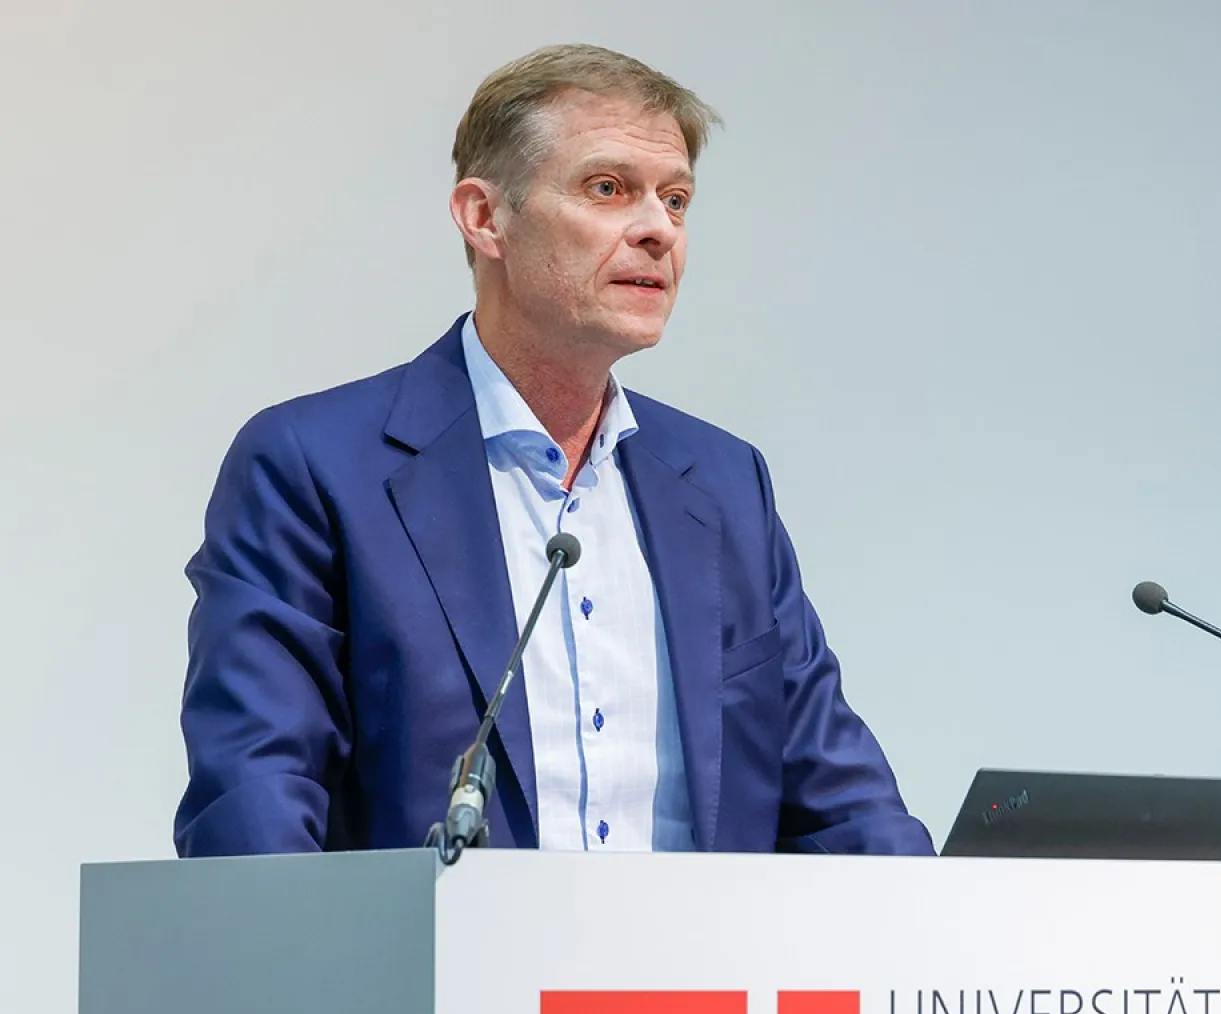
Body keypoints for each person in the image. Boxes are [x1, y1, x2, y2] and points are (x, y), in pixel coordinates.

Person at [174, 44, 935, 858]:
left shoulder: (724, 484)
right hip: (437, 977)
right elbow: (256, 796)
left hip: (700, 981)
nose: (656, 231)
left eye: (676, 201)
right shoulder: (315, 467)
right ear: (484, 216)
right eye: (608, 189)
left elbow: (840, 799)